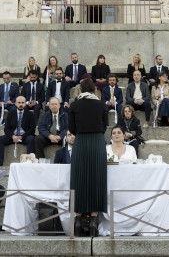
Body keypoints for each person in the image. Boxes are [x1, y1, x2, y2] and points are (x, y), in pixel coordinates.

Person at [68, 77, 109, 236]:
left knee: (79, 178)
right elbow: (105, 126)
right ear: (94, 90)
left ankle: (78, 220)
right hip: (97, 142)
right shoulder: (101, 104)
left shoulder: (75, 105)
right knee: (96, 178)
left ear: (81, 89)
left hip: (81, 142)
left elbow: (71, 128)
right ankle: (93, 220)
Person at [0, 96, 36, 166]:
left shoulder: (30, 114)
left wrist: (22, 137)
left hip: (24, 137)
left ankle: (29, 163)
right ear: (15, 103)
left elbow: (32, 129)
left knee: (31, 139)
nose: (21, 104)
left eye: (22, 102)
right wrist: (12, 136)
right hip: (13, 136)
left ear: (25, 104)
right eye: (19, 103)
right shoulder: (11, 113)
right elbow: (6, 128)